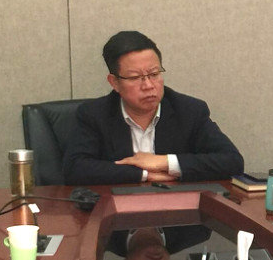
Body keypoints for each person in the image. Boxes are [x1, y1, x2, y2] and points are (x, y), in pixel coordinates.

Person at [62, 30, 244, 185]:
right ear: (114, 82)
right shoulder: (94, 114)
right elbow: (75, 169)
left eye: (154, 74)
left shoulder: (189, 110)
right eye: (135, 77)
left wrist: (164, 162)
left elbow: (232, 161)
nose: (149, 85)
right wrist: (143, 174)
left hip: (177, 212)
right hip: (118, 212)